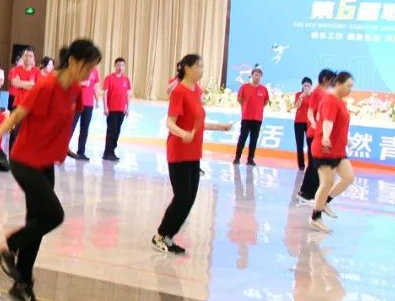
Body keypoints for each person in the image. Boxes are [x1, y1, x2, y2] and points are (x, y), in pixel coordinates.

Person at [0, 39, 103, 301]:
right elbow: (17, 116)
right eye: (87, 67)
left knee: (35, 224)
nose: (89, 73)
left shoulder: (75, 91)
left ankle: (22, 285)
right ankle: (9, 246)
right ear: (73, 61)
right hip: (26, 160)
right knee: (53, 215)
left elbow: (64, 123)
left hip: (46, 162)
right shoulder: (46, 85)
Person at [151, 54, 234, 255]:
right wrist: (183, 134)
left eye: (202, 66)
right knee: (182, 197)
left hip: (193, 152)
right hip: (179, 151)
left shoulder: (197, 91)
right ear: (187, 68)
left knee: (189, 199)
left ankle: (169, 236)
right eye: (198, 66)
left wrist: (220, 127)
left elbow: (198, 123)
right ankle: (159, 236)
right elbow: (170, 122)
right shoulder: (179, 92)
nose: (201, 70)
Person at [309, 72, 356, 233]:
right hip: (325, 150)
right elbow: (327, 121)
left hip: (338, 149)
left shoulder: (341, 102)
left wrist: (346, 139)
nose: (350, 89)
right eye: (348, 86)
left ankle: (325, 202)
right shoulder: (329, 100)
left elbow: (340, 124)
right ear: (339, 84)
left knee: (348, 177)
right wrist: (326, 136)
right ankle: (315, 217)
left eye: (352, 86)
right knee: (327, 182)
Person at [298, 69, 337, 204]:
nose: (334, 82)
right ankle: (305, 192)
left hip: (320, 134)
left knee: (317, 165)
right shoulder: (317, 93)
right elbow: (310, 112)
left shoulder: (325, 93)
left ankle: (313, 193)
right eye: (332, 79)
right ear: (325, 79)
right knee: (314, 164)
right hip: (313, 134)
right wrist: (315, 125)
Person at [234, 67, 270, 166]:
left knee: (254, 140)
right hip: (246, 117)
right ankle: (237, 157)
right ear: (252, 75)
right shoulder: (244, 87)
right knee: (242, 138)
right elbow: (239, 99)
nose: (257, 77)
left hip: (257, 119)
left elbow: (266, 102)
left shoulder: (264, 89)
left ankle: (250, 159)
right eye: (255, 75)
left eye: (259, 75)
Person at [8, 47, 40, 149]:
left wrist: (22, 83)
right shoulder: (15, 70)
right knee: (15, 131)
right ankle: (12, 155)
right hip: (18, 104)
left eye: (30, 56)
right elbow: (15, 83)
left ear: (33, 58)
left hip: (32, 106)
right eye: (26, 55)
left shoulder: (36, 71)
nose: (28, 58)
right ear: (22, 57)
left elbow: (37, 87)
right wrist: (30, 84)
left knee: (29, 132)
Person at [102, 58, 132, 162]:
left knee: (117, 131)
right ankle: (107, 153)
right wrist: (105, 107)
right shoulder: (109, 78)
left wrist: (128, 108)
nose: (120, 67)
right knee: (111, 131)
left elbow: (128, 94)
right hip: (112, 109)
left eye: (122, 65)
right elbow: (105, 93)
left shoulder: (126, 79)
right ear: (115, 66)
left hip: (121, 110)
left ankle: (112, 151)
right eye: (118, 65)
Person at [69, 63, 100, 160]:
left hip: (89, 104)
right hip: (77, 103)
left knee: (85, 129)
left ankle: (81, 152)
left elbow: (95, 86)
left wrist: (97, 100)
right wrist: (82, 83)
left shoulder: (95, 71)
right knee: (71, 127)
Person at [293, 77, 314, 171]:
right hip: (298, 122)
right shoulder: (298, 94)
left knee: (310, 145)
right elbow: (297, 107)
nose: (306, 87)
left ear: (311, 86)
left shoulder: (313, 96)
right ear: (302, 86)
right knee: (299, 144)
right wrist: (301, 97)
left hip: (309, 123)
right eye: (305, 85)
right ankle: (301, 165)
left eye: (308, 86)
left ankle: (311, 164)